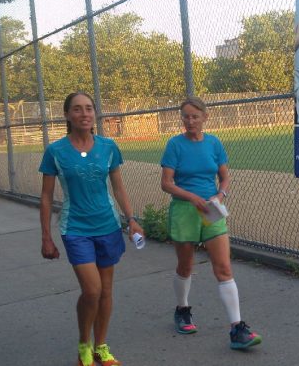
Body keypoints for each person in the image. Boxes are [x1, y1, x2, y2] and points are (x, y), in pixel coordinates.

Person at [39, 92, 143, 366]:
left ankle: (101, 346)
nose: (84, 114)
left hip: (107, 225)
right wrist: (46, 236)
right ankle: (84, 344)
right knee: (92, 290)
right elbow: (47, 196)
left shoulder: (108, 147)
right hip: (75, 229)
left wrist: (131, 218)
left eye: (88, 108)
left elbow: (118, 187)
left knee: (106, 291)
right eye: (77, 109)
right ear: (67, 115)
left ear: (94, 113)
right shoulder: (56, 151)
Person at [160, 96, 262, 350]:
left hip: (211, 211)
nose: (190, 121)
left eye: (195, 116)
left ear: (205, 117)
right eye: (186, 116)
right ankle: (182, 310)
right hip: (185, 210)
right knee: (185, 266)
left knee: (224, 268)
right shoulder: (174, 145)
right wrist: (193, 197)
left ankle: (237, 328)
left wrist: (220, 194)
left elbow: (225, 177)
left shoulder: (214, 143)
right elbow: (167, 183)